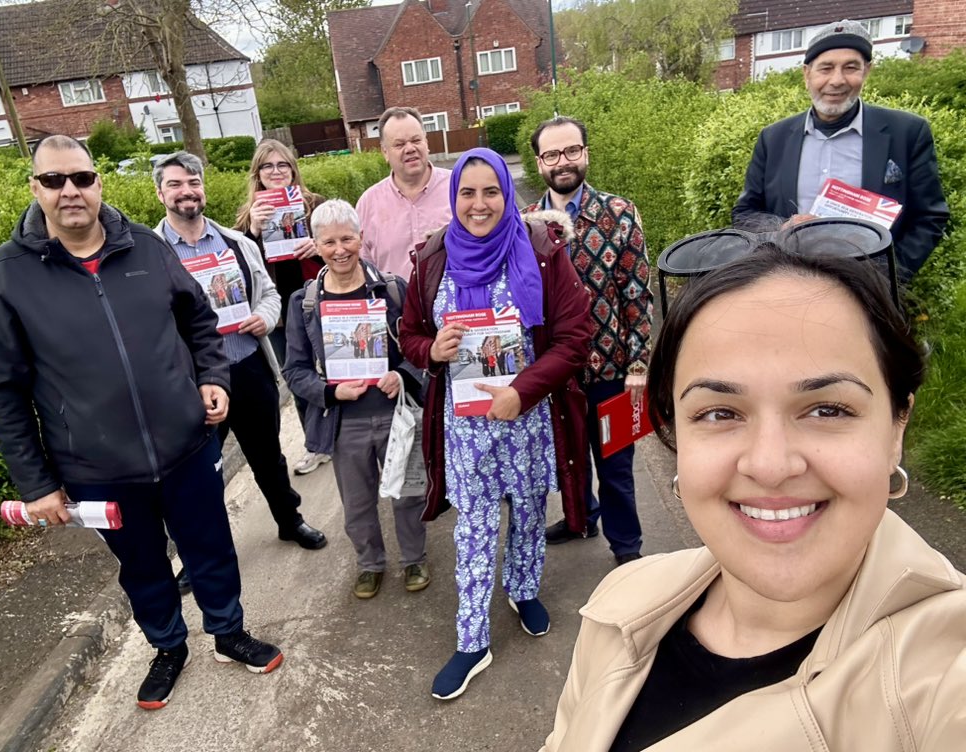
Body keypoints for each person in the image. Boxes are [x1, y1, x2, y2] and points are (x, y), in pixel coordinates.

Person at [541, 240, 966, 751]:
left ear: (898, 425)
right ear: (677, 435)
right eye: (720, 413)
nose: (769, 465)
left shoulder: (945, 671)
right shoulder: (618, 604)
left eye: (827, 409)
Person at [0, 135, 283, 711]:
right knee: (141, 565)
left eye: (82, 178)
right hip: (97, 467)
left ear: (99, 182)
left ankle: (228, 632)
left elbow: (199, 321)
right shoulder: (5, 276)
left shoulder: (145, 245)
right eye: (55, 180)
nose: (71, 191)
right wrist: (37, 485)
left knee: (211, 546)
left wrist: (212, 377)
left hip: (187, 446)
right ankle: (168, 647)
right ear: (35, 188)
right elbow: (2, 390)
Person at [400, 148, 591, 700]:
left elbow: (574, 340)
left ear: (507, 195)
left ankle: (524, 589)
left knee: (531, 513)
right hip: (466, 428)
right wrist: (431, 349)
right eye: (467, 192)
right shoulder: (432, 256)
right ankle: (472, 640)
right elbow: (409, 332)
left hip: (528, 419)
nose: (479, 204)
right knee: (474, 530)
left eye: (491, 192)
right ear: (453, 195)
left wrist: (522, 391)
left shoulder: (542, 251)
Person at [152, 151, 327, 561]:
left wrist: (264, 318)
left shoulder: (237, 243)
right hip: (192, 381)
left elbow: (268, 293)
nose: (186, 192)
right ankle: (200, 555)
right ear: (160, 192)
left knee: (268, 454)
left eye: (193, 183)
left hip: (248, 365)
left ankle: (289, 520)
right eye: (175, 184)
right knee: (198, 471)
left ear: (203, 189)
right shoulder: (150, 252)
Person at [283, 199, 430, 600]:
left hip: (395, 415)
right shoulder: (305, 303)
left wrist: (402, 375)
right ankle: (370, 563)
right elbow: (294, 371)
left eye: (347, 238)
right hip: (343, 421)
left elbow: (421, 350)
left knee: (407, 491)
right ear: (315, 245)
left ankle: (414, 557)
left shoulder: (393, 290)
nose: (340, 249)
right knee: (358, 502)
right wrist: (330, 391)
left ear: (362, 238)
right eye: (328, 241)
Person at [525, 116, 654, 566]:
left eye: (572, 151)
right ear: (539, 162)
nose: (563, 162)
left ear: (585, 153)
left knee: (616, 463)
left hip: (612, 369)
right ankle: (582, 518)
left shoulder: (619, 213)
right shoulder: (527, 225)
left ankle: (627, 548)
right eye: (552, 155)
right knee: (570, 458)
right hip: (556, 372)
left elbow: (637, 292)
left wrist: (639, 365)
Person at [732, 19, 949, 281]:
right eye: (825, 68)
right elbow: (745, 215)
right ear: (807, 74)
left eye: (850, 67)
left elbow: (929, 217)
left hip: (869, 291)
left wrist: (887, 278)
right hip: (790, 282)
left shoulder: (907, 132)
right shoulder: (774, 138)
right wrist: (781, 228)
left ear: (866, 71)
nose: (837, 80)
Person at [236, 139, 330, 476]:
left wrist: (318, 246)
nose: (276, 172)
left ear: (293, 169)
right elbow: (237, 273)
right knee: (298, 378)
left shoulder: (315, 205)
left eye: (283, 165)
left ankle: (343, 434)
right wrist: (254, 232)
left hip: (318, 301)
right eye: (268, 166)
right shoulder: (247, 219)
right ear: (257, 174)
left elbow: (345, 248)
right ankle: (317, 444)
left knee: (335, 370)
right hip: (277, 315)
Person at [355, 107, 452, 281]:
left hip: (454, 304)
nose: (410, 149)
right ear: (385, 152)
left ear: (426, 143)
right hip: (397, 305)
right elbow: (363, 269)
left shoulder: (459, 188)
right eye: (399, 144)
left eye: (416, 140)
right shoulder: (367, 204)